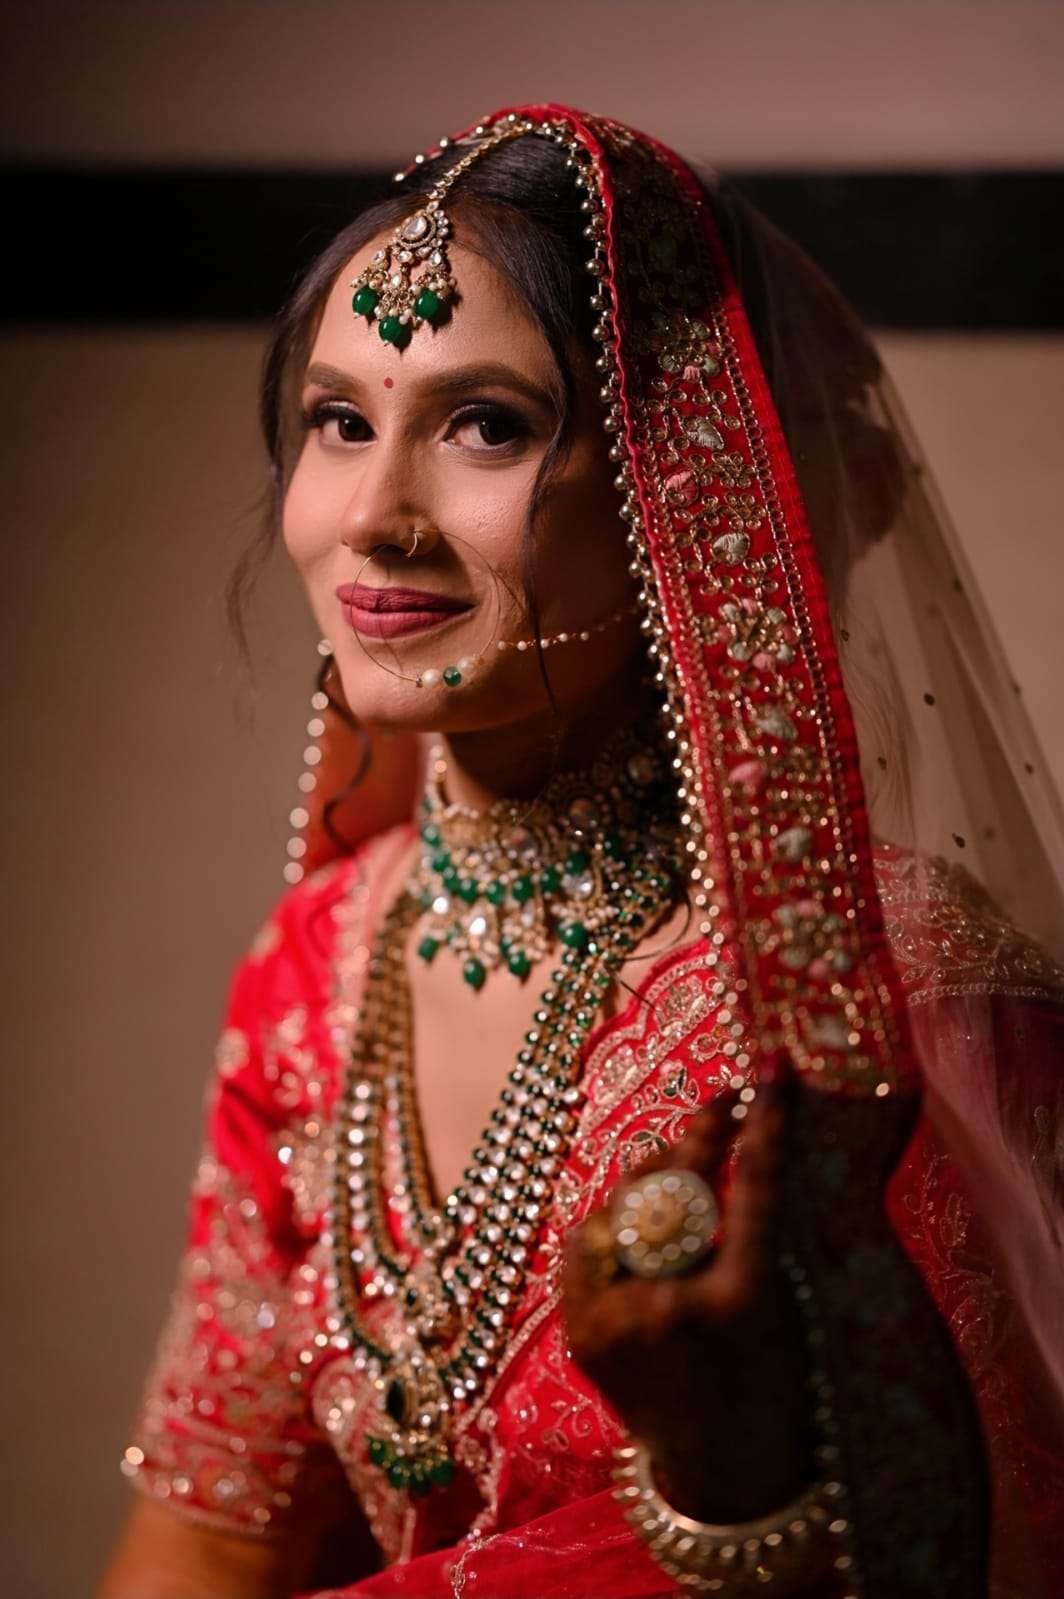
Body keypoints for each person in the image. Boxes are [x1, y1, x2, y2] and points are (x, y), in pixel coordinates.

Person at [97, 104, 1064, 1599]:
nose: (376, 517)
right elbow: (213, 1530)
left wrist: (729, 1491)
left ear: (688, 487)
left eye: (488, 424)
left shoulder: (878, 1007)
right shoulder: (317, 973)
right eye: (341, 422)